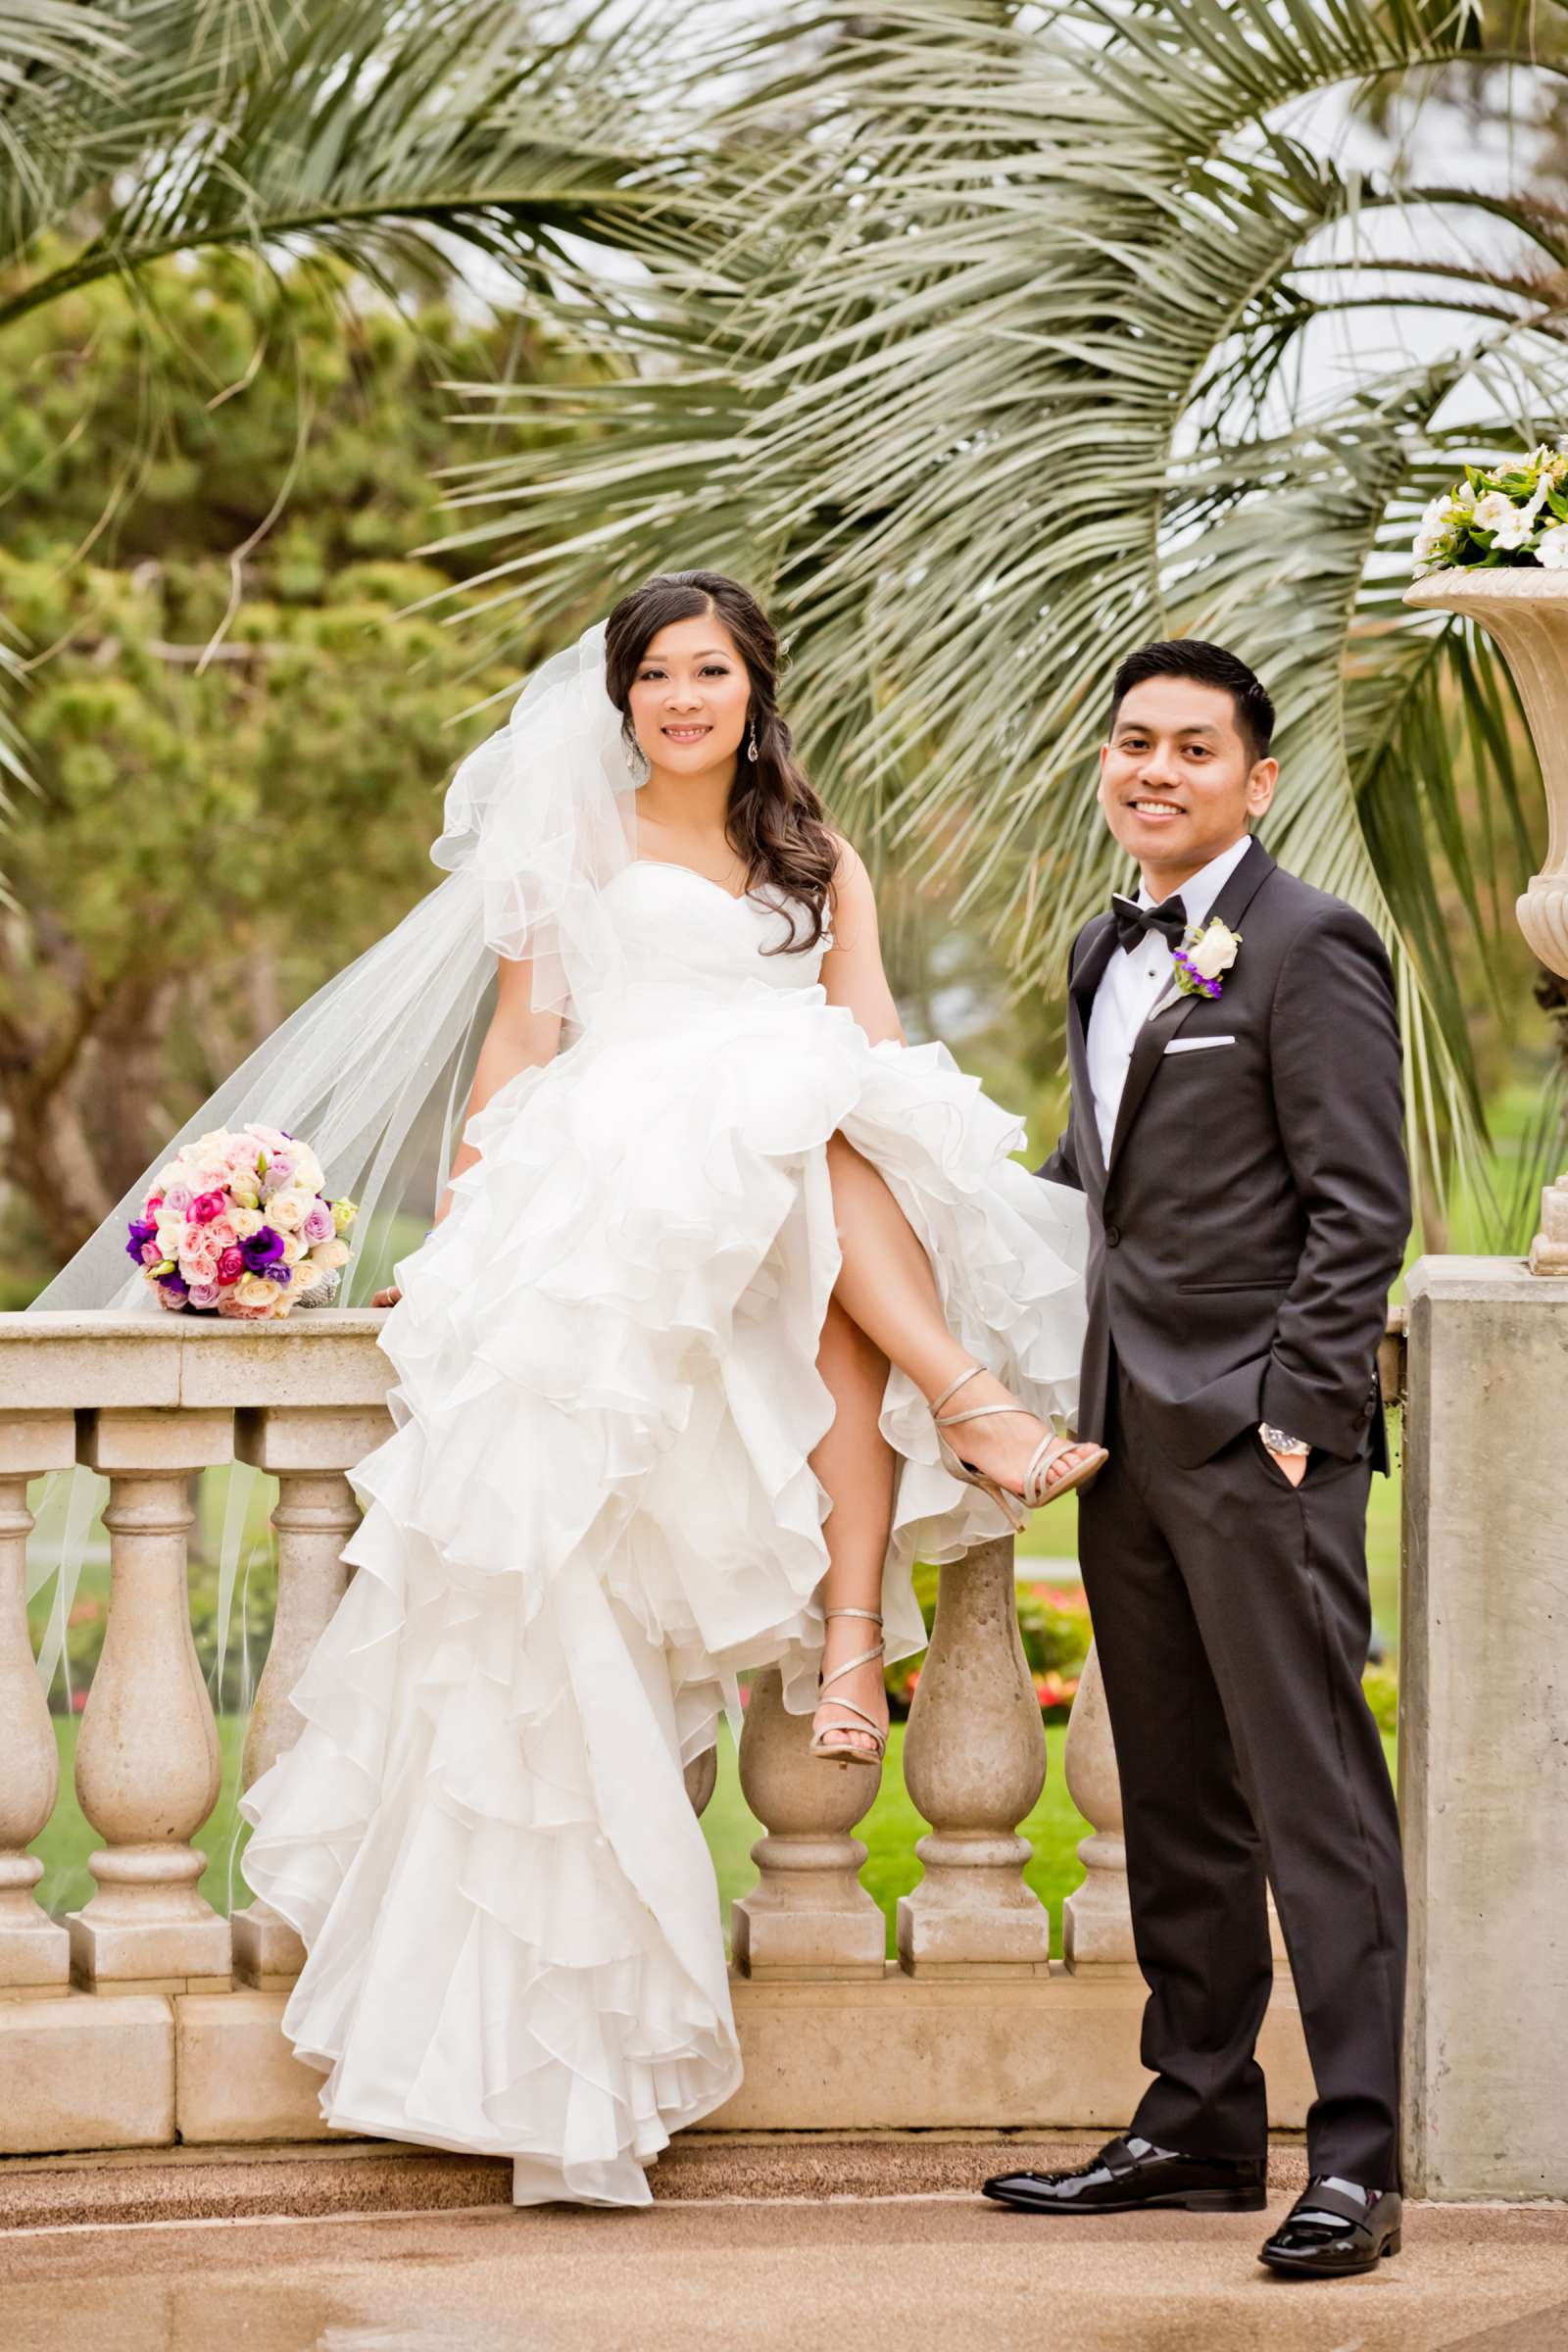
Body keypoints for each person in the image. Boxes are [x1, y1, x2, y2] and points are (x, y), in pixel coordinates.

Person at [226, 571, 1101, 2207]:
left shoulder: (816, 858)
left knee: (834, 1164)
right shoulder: (571, 849)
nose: (684, 698)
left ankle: (862, 1622)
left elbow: (873, 1035)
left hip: (783, 1174)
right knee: (800, 1162)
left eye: (711, 671)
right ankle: (959, 1429)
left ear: (757, 688)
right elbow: (518, 1044)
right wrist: (474, 1213)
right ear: (619, 700)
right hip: (624, 1168)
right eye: (655, 676)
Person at [981, 641, 1410, 2279]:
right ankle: (1201, 2119)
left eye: (1191, 747)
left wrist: (1296, 1412)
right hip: (1127, 1443)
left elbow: (1361, 1202)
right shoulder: (1106, 946)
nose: (1154, 769)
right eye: (1133, 743)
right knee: (1174, 1795)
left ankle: (1359, 2160)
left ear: (1257, 778)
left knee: (1315, 1806)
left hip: (1264, 1445)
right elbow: (1093, 1183)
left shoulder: (1310, 949)